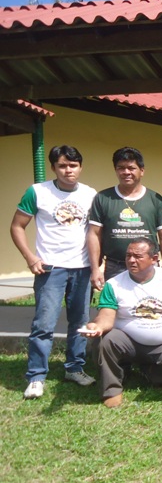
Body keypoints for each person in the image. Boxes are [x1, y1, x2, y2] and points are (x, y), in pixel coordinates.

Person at [11, 145, 97, 399]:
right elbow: (17, 226)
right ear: (53, 168)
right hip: (50, 268)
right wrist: (30, 257)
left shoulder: (90, 194)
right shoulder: (38, 192)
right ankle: (37, 376)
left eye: (73, 165)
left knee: (80, 322)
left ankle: (75, 367)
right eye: (62, 165)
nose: (68, 170)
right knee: (44, 324)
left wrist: (96, 265)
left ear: (80, 167)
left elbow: (95, 232)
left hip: (81, 268)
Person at [80, 237, 162, 408]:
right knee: (104, 340)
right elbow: (106, 316)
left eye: (137, 256)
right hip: (128, 342)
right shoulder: (114, 284)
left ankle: (149, 373)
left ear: (154, 259)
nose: (131, 260)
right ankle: (112, 389)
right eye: (128, 256)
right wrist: (97, 326)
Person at [88, 147, 162, 290]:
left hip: (149, 266)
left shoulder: (155, 199)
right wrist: (95, 269)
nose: (126, 172)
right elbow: (94, 234)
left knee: (150, 307)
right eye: (121, 168)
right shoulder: (103, 198)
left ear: (142, 171)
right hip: (115, 266)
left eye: (131, 168)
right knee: (115, 308)